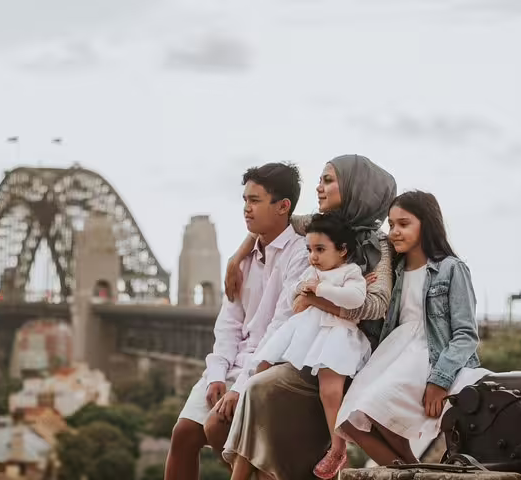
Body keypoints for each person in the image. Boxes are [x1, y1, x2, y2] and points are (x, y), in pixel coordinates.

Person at [220, 154, 397, 480]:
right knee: (258, 386)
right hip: (310, 341)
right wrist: (238, 256)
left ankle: (247, 470)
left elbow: (376, 305)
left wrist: (319, 299)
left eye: (329, 180)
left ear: (357, 188)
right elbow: (277, 222)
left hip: (341, 352)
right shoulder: (318, 225)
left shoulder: (378, 245)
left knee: (259, 389)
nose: (319, 187)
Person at [164, 162, 309, 480]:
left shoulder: (300, 256)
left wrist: (240, 386)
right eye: (245, 200)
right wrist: (217, 374)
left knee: (221, 433)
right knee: (184, 435)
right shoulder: (241, 260)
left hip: (271, 367)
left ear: (283, 206)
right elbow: (228, 325)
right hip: (232, 365)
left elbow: (281, 329)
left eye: (255, 201)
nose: (246, 209)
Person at [335, 190, 491, 466]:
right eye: (391, 224)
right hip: (392, 352)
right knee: (349, 422)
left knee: (376, 407)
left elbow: (466, 334)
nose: (394, 231)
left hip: (427, 355)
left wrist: (439, 380)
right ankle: (414, 470)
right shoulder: (395, 271)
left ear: (427, 224)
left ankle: (414, 469)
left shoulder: (451, 269)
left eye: (403, 224)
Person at [249, 212, 372, 479]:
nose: (313, 256)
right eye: (309, 249)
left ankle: (337, 448)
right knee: (262, 367)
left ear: (342, 250)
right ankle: (261, 432)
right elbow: (295, 293)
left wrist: (318, 291)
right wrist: (304, 290)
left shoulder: (350, 272)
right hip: (308, 333)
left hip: (337, 337)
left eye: (320, 249)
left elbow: (355, 300)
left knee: (330, 390)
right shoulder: (312, 271)